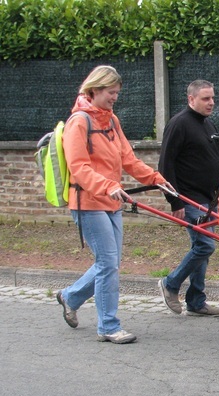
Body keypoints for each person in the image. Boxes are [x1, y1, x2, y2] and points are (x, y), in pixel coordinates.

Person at [55, 65, 172, 344]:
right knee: (107, 262)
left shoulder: (111, 121)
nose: (115, 97)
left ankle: (70, 296)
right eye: (111, 92)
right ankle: (108, 326)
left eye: (117, 93)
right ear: (94, 90)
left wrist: (156, 179)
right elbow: (79, 167)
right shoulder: (79, 122)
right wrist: (108, 186)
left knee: (111, 262)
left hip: (110, 200)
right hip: (88, 202)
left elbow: (128, 159)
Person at [157, 80, 219, 317]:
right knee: (205, 245)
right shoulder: (179, 124)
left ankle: (196, 301)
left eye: (213, 98)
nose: (212, 103)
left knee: (201, 248)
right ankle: (170, 284)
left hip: (209, 199)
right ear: (191, 99)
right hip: (189, 198)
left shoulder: (208, 124)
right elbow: (165, 164)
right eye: (206, 98)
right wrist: (174, 201)